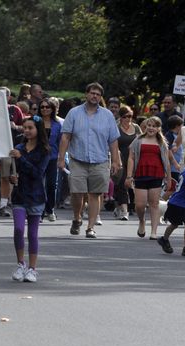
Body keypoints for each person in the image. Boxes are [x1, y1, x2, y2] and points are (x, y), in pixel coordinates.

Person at [57, 82, 122, 239]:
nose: (95, 96)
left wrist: (115, 161)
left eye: (98, 94)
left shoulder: (107, 116)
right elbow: (66, 136)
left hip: (100, 160)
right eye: (92, 93)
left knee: (95, 193)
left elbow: (113, 140)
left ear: (101, 97)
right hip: (78, 159)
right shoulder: (74, 113)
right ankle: (77, 217)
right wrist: (61, 158)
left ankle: (90, 227)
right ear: (86, 94)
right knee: (77, 192)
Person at [9, 116, 50, 282]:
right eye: (24, 127)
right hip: (19, 195)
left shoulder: (44, 151)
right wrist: (12, 176)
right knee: (19, 229)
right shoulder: (19, 148)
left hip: (36, 196)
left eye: (30, 128)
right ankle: (21, 264)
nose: (26, 131)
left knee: (32, 233)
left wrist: (21, 159)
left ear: (37, 130)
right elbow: (14, 171)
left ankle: (33, 269)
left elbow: (38, 173)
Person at [125, 116, 172, 239]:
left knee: (154, 204)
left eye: (154, 126)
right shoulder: (138, 140)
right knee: (140, 205)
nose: (151, 128)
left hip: (156, 175)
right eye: (149, 125)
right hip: (140, 174)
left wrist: (169, 178)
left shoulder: (162, 142)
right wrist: (129, 176)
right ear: (145, 127)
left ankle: (154, 232)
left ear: (158, 128)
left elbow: (167, 161)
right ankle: (141, 221)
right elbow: (131, 158)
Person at [0, 86, 24, 217]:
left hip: (8, 148)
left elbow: (25, 127)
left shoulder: (14, 109)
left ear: (8, 97)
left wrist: (16, 127)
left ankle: (3, 205)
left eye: (4, 94)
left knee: (6, 177)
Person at [115, 104, 142, 220]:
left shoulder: (136, 128)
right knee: (122, 183)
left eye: (130, 116)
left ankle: (119, 206)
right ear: (121, 117)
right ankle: (124, 211)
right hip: (120, 158)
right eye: (126, 116)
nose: (128, 119)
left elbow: (142, 141)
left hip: (134, 159)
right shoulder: (116, 127)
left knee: (131, 185)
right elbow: (112, 143)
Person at [39, 97, 62, 222]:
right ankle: (40, 210)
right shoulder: (36, 121)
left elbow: (61, 141)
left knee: (51, 184)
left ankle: (50, 209)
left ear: (52, 109)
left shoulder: (57, 124)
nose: (44, 109)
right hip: (38, 157)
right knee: (39, 184)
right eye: (42, 107)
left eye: (47, 107)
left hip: (52, 157)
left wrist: (61, 157)